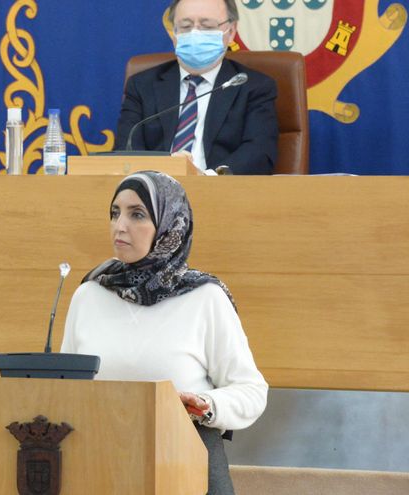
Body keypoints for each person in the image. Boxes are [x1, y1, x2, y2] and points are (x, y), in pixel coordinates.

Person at [60, 171, 268, 494]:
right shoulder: (89, 294)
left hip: (186, 463)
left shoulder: (204, 297)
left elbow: (252, 391)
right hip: (102, 465)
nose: (120, 226)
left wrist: (206, 403)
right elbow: (64, 389)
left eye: (137, 214)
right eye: (115, 213)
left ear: (170, 225)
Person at [115, 0, 279, 175]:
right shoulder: (142, 85)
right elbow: (127, 150)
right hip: (154, 194)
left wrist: (207, 178)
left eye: (207, 26)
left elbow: (259, 152)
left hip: (222, 194)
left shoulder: (253, 87)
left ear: (231, 32)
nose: (195, 34)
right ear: (173, 33)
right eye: (185, 26)